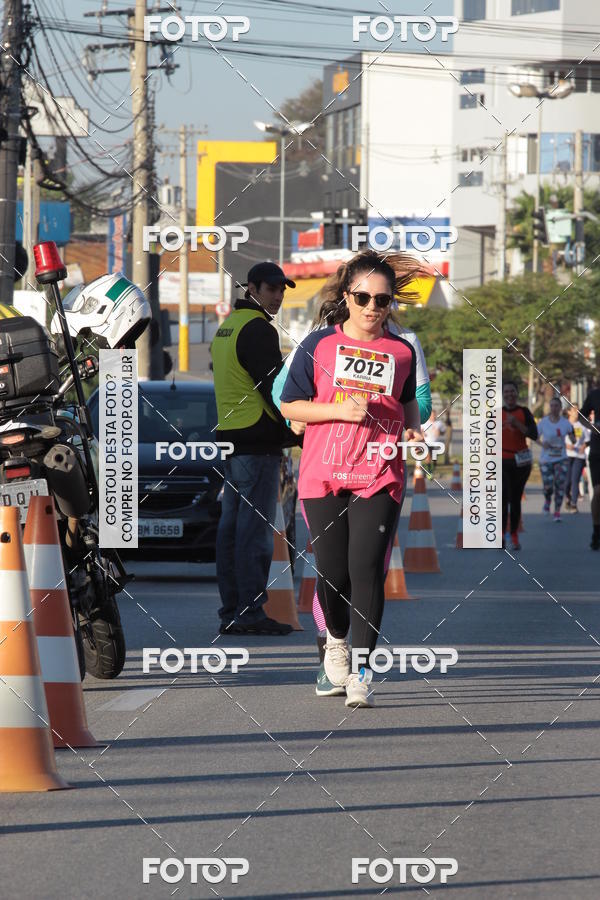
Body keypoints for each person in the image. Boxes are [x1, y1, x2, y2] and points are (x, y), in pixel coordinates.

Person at [273, 281, 432, 698]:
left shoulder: (402, 350)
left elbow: (409, 401)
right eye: (362, 297)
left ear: (390, 303)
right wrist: (338, 411)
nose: (372, 306)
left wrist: (414, 430)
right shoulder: (318, 344)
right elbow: (289, 404)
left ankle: (361, 672)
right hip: (324, 473)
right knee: (333, 572)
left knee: (367, 569)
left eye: (382, 299)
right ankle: (336, 641)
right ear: (347, 297)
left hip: (379, 472)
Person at [210, 262, 298, 636]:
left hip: (234, 439)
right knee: (253, 534)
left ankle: (232, 610)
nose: (277, 296)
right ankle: (248, 614)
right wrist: (297, 429)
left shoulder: (227, 326)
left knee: (231, 531)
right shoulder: (258, 329)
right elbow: (275, 389)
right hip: (257, 442)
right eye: (271, 289)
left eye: (281, 290)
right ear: (252, 288)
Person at [502, 381, 537, 551]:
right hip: (501, 460)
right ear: (503, 395)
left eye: (512, 391)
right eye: (506, 391)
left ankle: (514, 534)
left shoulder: (524, 412)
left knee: (515, 499)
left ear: (517, 393)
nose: (510, 394)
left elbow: (534, 435)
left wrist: (517, 424)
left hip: (520, 462)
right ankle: (501, 534)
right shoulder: (496, 414)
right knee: (503, 497)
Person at [536, 396, 574, 522]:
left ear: (560, 408)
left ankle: (557, 511)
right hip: (546, 459)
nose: (554, 408)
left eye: (556, 406)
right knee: (548, 486)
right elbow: (535, 436)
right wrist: (542, 444)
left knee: (559, 485)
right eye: (552, 406)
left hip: (561, 459)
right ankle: (547, 500)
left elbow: (573, 436)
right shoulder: (543, 422)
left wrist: (574, 438)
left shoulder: (565, 423)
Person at [581, 386, 600, 549]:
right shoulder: (594, 395)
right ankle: (596, 531)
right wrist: (593, 428)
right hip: (597, 450)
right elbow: (581, 417)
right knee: (598, 491)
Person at [565, 405, 590, 513]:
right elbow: (558, 439)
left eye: (578, 410)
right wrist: (566, 446)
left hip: (579, 456)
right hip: (566, 455)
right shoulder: (564, 424)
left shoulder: (582, 425)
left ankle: (574, 504)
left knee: (575, 480)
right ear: (569, 412)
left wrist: (583, 446)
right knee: (567, 481)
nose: (577, 412)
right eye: (574, 410)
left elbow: (588, 440)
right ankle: (567, 497)